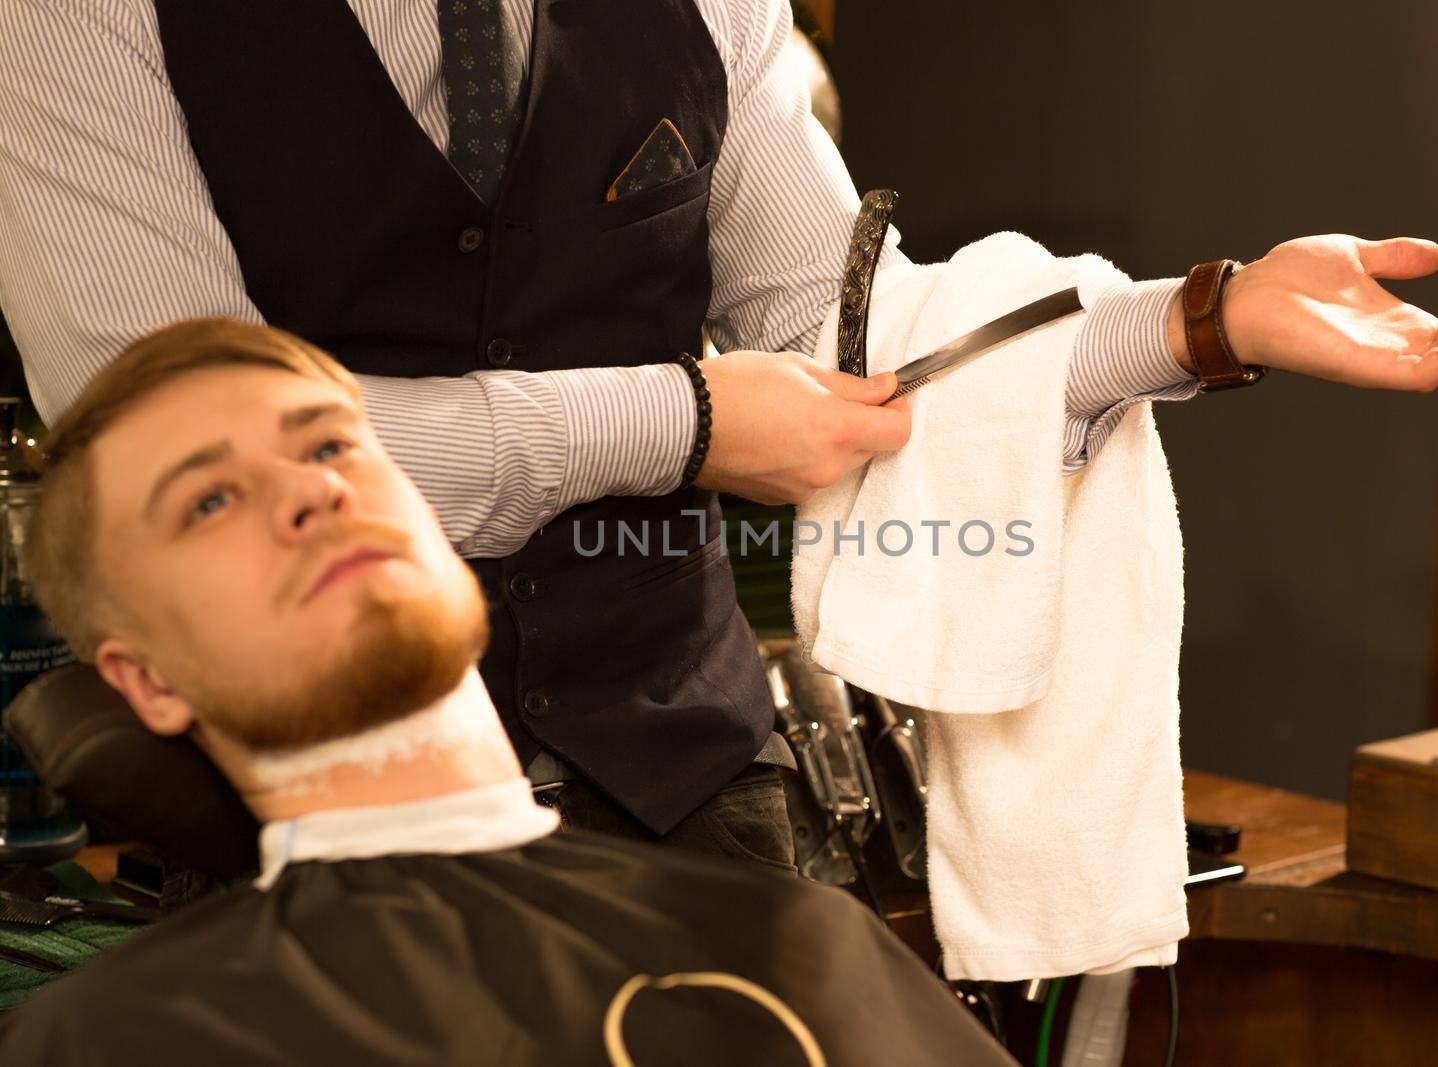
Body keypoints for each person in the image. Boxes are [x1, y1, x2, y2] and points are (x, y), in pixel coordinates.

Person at [0, 0, 1438, 867]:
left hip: (681, 771)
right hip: (292, 804)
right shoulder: (76, 17)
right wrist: (675, 420)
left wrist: (1208, 320)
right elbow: (166, 433)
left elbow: (847, 344)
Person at [0, 317, 1015, 1066]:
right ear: (147, 678)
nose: (313, 489)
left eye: (329, 444)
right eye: (209, 498)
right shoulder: (118, 1039)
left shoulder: (793, 948)